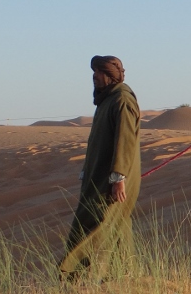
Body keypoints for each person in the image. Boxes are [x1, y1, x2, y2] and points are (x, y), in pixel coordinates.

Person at [59, 55, 141, 281]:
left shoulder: (122, 100)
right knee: (116, 222)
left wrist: (118, 177)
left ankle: (71, 272)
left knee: (96, 221)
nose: (94, 76)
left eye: (99, 72)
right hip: (97, 176)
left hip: (112, 180)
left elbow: (125, 141)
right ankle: (123, 274)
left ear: (110, 76)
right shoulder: (107, 100)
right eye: (94, 72)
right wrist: (87, 171)